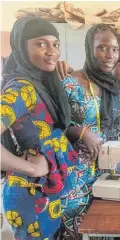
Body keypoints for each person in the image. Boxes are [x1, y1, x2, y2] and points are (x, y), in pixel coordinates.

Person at [1, 16, 78, 239]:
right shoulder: (21, 90)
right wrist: (30, 169)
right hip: (31, 194)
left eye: (55, 44)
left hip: (45, 190)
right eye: (41, 44)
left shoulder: (41, 82)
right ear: (21, 48)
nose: (51, 51)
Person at [60, 24, 120, 238]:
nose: (109, 55)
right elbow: (53, 124)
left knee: (107, 227)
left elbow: (118, 127)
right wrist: (82, 132)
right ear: (90, 48)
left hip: (108, 171)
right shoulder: (70, 83)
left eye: (114, 49)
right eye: (102, 48)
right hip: (76, 175)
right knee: (76, 229)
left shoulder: (115, 86)